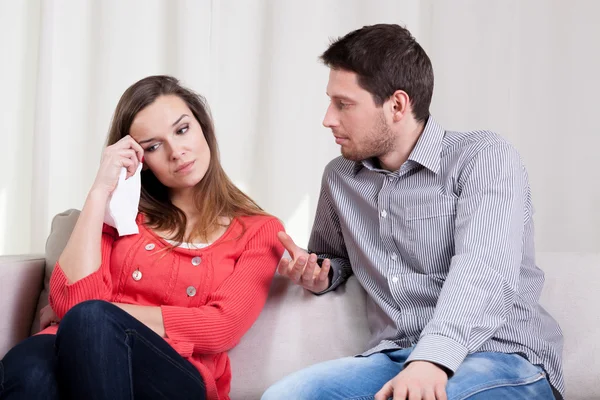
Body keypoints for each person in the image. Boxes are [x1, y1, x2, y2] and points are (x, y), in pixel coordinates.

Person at [262, 24, 563, 400]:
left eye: (344, 104)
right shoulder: (340, 178)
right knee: (286, 396)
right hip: (394, 357)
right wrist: (320, 274)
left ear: (397, 106)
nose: (328, 119)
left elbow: (484, 269)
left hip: (498, 355)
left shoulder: (483, 158)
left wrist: (432, 360)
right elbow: (333, 259)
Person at [0, 75, 284, 400]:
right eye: (153, 146)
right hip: (67, 345)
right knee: (32, 373)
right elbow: (73, 303)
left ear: (203, 126)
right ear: (142, 161)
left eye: (182, 129)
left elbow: (221, 327)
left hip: (173, 370)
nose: (177, 152)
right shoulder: (121, 213)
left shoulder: (260, 230)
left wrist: (104, 312)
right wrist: (99, 191)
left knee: (91, 319)